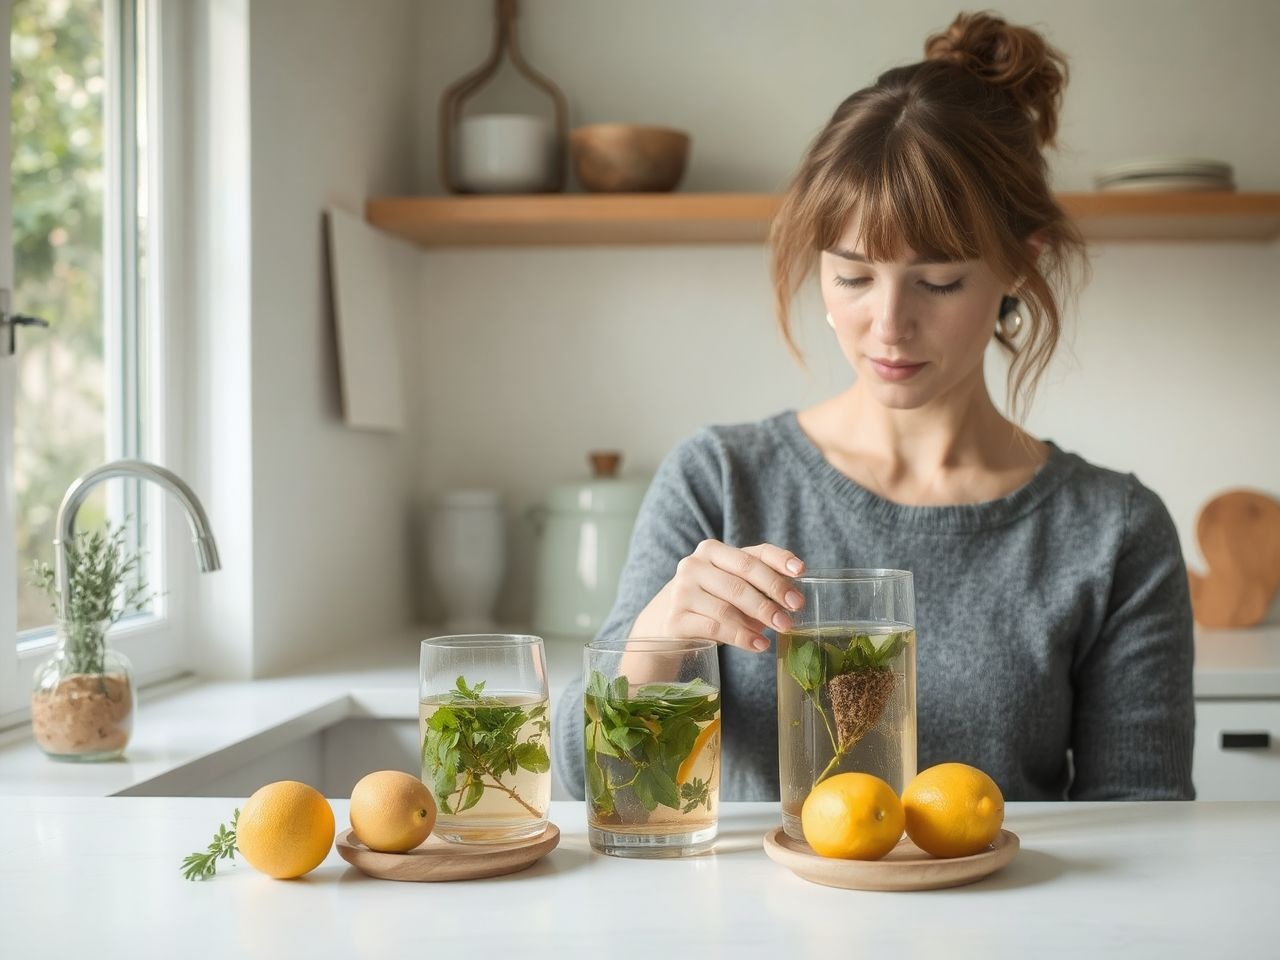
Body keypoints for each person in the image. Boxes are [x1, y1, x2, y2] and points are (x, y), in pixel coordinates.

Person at [553, 11, 1194, 803]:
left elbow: (1146, 832)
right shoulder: (718, 481)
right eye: (853, 276)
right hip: (750, 928)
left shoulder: (1114, 533)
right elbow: (588, 785)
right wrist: (657, 639)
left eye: (939, 281)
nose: (888, 325)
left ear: (1017, 270)